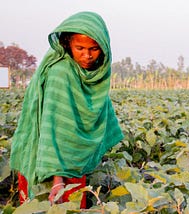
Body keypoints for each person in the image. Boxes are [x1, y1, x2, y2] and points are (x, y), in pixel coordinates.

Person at [10, 11, 124, 208]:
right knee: (50, 207)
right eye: (79, 48)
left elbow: (100, 118)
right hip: (47, 165)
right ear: (67, 44)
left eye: (94, 49)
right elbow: (52, 129)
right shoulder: (60, 73)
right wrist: (58, 180)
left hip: (73, 163)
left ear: (104, 48)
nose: (87, 55)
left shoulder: (93, 76)